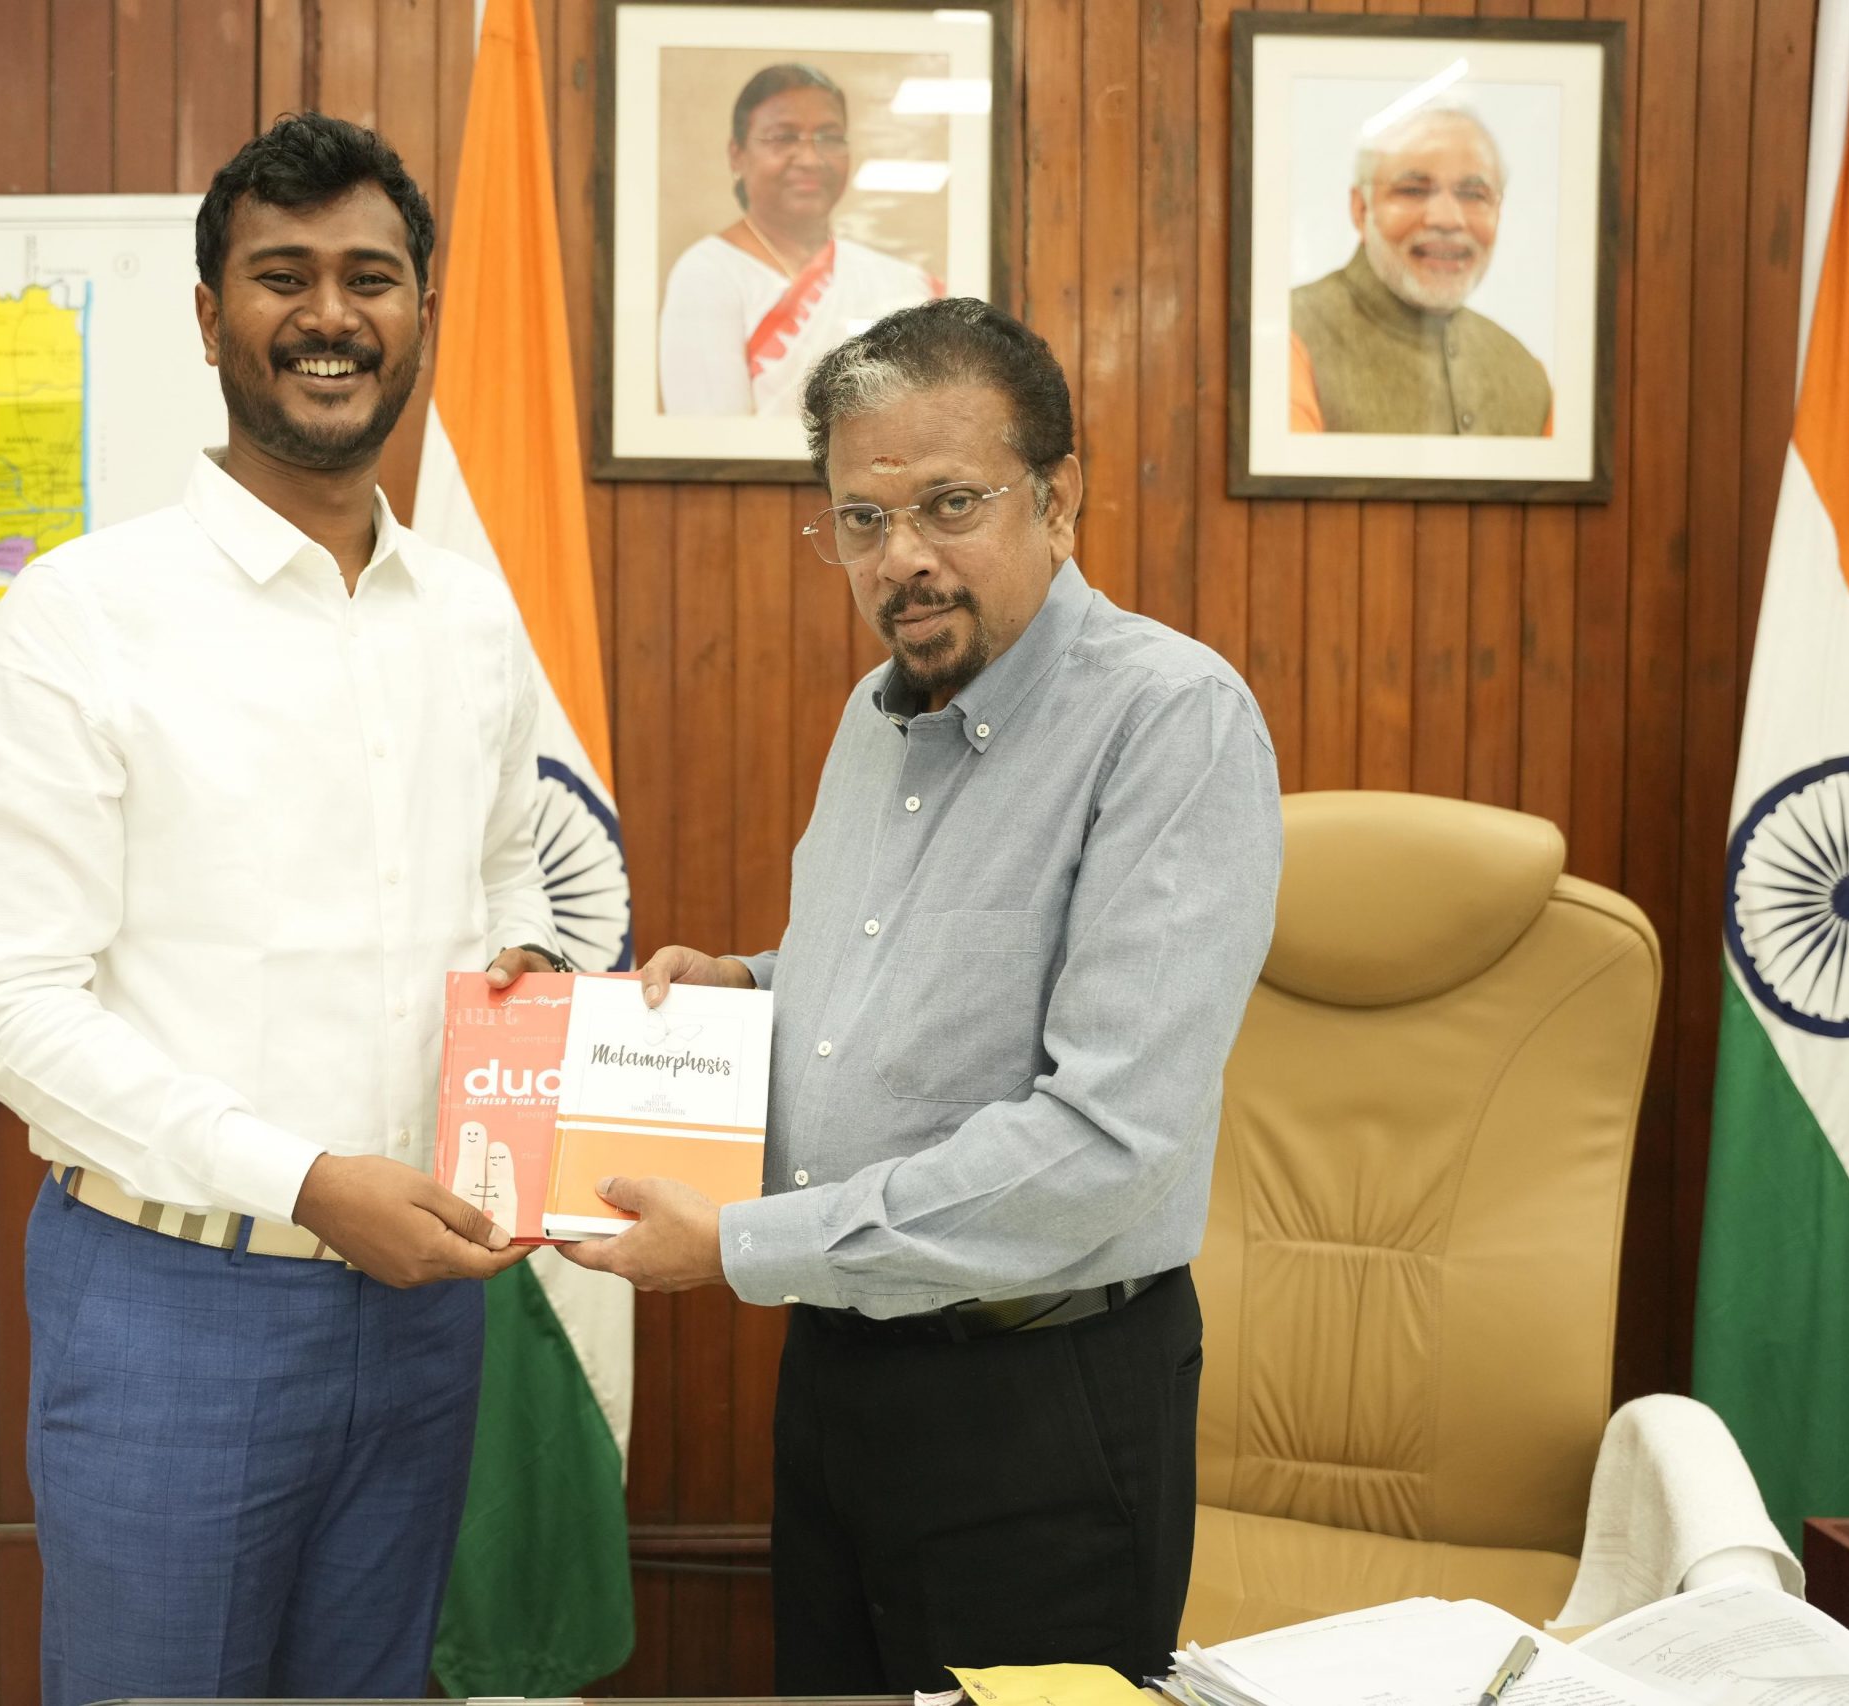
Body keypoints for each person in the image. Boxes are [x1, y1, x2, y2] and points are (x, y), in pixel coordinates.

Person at [0, 113, 570, 1706]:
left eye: (370, 276)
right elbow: (6, 999)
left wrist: (535, 982)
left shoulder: (473, 621)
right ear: (211, 314)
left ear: (421, 309)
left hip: (425, 1303)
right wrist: (301, 1179)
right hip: (172, 1305)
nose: (330, 315)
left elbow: (509, 874)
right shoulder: (88, 613)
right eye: (281, 275)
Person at [564, 298, 1283, 1690]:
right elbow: (884, 990)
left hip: (1043, 1403)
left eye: (950, 504)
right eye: (860, 520)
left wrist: (743, 1246)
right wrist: (746, 990)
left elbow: (1099, 1144)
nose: (904, 560)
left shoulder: (1171, 722)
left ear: (1060, 494)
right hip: (843, 1374)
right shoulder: (873, 714)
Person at [658, 62, 942, 416]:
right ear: (738, 155)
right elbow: (711, 438)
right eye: (783, 137)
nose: (810, 158)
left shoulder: (899, 282)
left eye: (829, 137)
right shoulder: (708, 274)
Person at [1289, 100, 1551, 435]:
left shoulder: (1527, 376)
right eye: (1413, 190)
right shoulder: (1289, 337)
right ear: (1360, 209)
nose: (1446, 219)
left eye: (1473, 194)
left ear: (1499, 213)